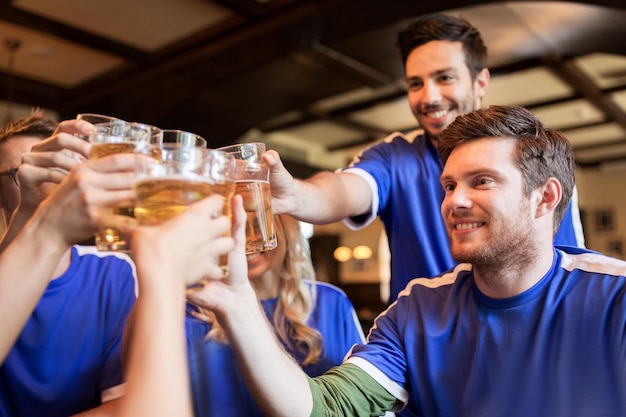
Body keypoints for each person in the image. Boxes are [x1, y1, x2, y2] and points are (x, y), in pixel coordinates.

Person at [189, 105, 626, 416]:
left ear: (544, 198)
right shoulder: (417, 310)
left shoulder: (615, 298)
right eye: (450, 185)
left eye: (482, 181)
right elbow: (323, 408)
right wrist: (238, 301)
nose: (455, 201)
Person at [264, 13, 585, 303]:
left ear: (480, 81)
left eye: (445, 78)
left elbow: (571, 262)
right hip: (425, 348)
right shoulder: (393, 156)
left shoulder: (536, 156)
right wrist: (295, 194)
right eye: (416, 83)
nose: (429, 97)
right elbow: (344, 191)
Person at [0, 112, 137, 417]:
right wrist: (38, 222)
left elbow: (124, 405)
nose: (45, 178)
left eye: (55, 164)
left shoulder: (112, 273)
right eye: (21, 171)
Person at [183, 213, 365, 415]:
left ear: (285, 230)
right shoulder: (192, 315)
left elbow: (361, 398)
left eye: (259, 225)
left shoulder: (330, 302)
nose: (249, 239)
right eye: (236, 227)